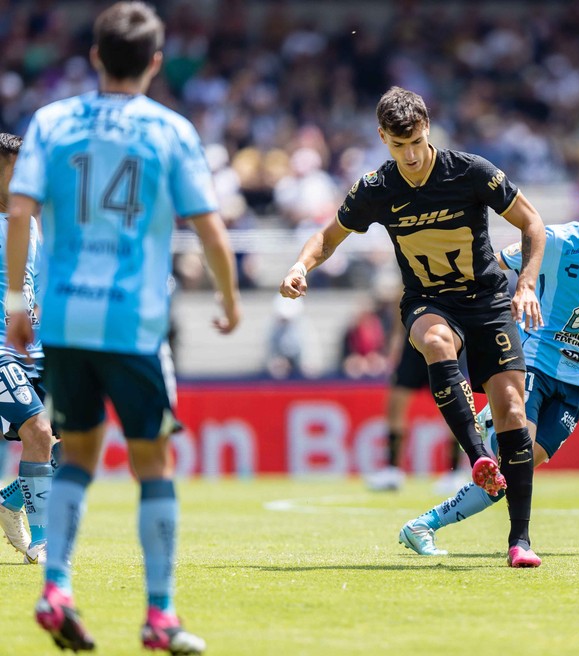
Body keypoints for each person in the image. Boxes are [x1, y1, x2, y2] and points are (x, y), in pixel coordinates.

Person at [5, 3, 240, 653]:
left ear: (95, 57)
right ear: (156, 62)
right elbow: (208, 227)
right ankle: (159, 614)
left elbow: (19, 212)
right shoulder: (170, 129)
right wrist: (228, 298)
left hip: (64, 320)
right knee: (153, 461)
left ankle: (56, 588)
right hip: (134, 322)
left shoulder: (51, 122)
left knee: (75, 454)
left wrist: (17, 301)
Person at [281, 86, 546, 567]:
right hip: (428, 301)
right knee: (437, 341)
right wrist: (301, 267)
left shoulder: (471, 171)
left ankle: (520, 541)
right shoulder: (376, 188)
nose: (411, 156)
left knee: (511, 409)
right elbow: (327, 237)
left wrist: (526, 283)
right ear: (383, 138)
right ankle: (477, 457)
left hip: (487, 300)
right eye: (399, 146)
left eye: (418, 143)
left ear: (428, 130)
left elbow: (532, 223)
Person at [398, 161, 579, 557]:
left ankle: (423, 523)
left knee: (523, 464)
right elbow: (491, 265)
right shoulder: (555, 241)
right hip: (533, 360)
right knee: (515, 457)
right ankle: (468, 521)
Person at [0, 132, 59, 566]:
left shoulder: (31, 223)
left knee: (69, 442)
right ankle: (42, 542)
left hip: (31, 347)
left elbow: (34, 288)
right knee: (37, 430)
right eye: (16, 167)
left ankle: (8, 499)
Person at [365, 329, 468, 494]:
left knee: (453, 407)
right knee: (395, 404)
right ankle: (392, 470)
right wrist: (395, 345)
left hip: (443, 342)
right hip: (413, 342)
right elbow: (399, 317)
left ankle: (455, 472)